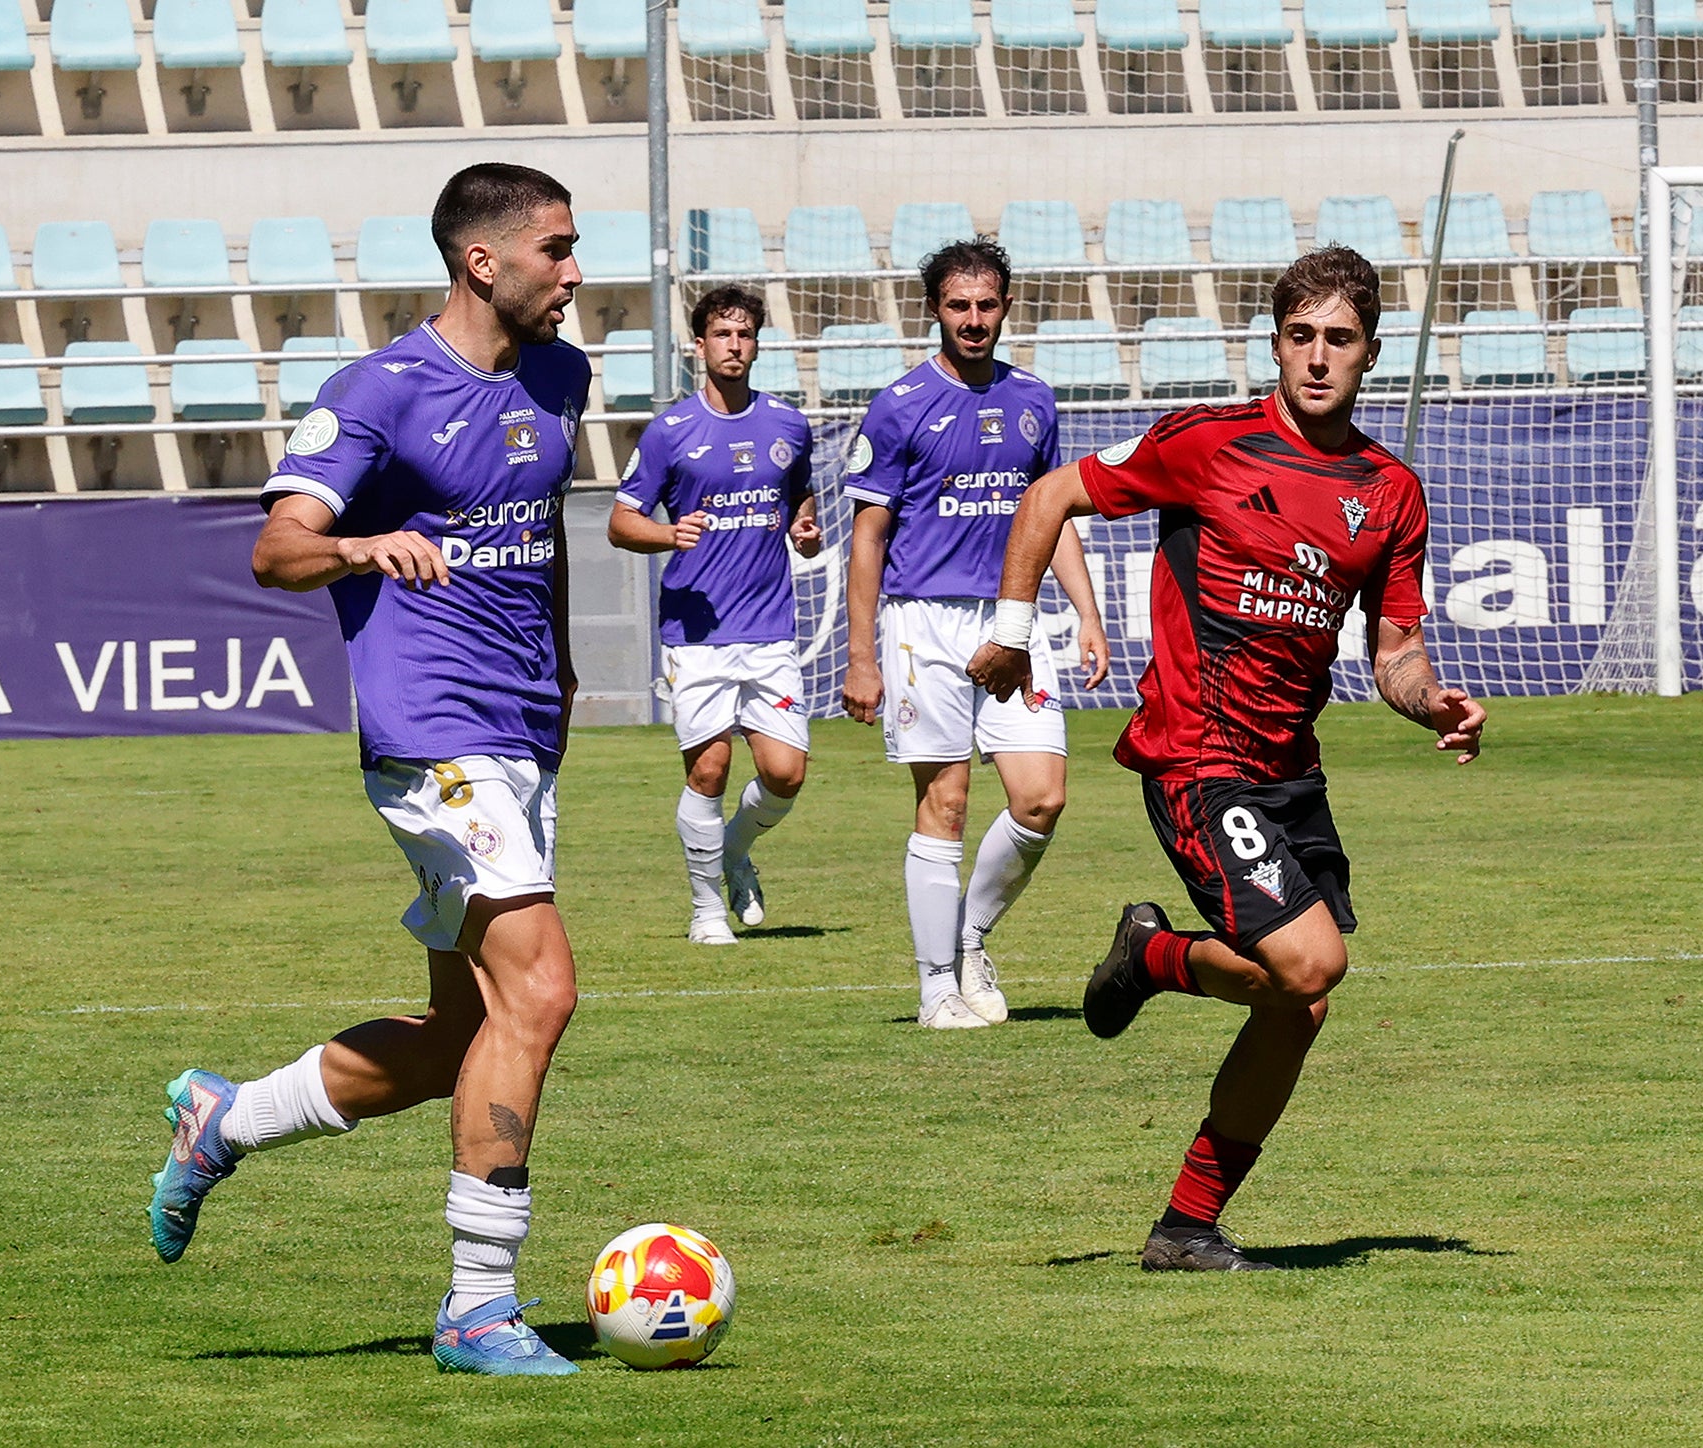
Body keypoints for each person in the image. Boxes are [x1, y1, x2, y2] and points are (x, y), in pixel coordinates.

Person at [146, 162, 591, 1374]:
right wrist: (359, 543)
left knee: (466, 1030)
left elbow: (538, 535)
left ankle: (223, 1119)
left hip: (518, 730)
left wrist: (554, 680)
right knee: (540, 989)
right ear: (480, 262)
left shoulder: (561, 375)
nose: (574, 269)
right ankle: (479, 1305)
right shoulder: (377, 394)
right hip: (428, 732)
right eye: (554, 248)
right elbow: (273, 550)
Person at [967, 245, 1486, 1269]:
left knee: (1302, 1003)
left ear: (1369, 352)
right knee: (1309, 961)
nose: (1316, 357)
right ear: (1275, 343)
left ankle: (1184, 1224)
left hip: (1288, 770)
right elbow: (1047, 497)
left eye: (1338, 339)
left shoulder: (1387, 491)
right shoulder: (1207, 443)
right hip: (1194, 753)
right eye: (1300, 336)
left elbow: (1393, 651)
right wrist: (1014, 624)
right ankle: (1157, 957)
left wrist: (1432, 703)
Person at [840, 237, 1108, 1030]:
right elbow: (868, 538)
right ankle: (934, 992)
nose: (973, 319)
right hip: (924, 620)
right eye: (958, 305)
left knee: (1042, 797)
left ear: (1006, 306)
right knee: (946, 804)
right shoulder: (898, 404)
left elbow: (1049, 515)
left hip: (1015, 620)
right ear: (934, 311)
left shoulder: (1035, 399)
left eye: (986, 304)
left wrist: (1088, 615)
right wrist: (862, 658)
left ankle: (970, 937)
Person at [607, 287, 821, 943]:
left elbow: (800, 498)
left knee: (786, 774)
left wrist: (805, 529)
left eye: (746, 334)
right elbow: (621, 522)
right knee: (710, 770)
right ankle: (705, 911)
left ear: (757, 344)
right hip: (696, 635)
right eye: (723, 334)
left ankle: (731, 853)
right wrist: (667, 536)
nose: (735, 344)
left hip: (768, 630)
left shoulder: (788, 424)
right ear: (698, 345)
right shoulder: (671, 432)